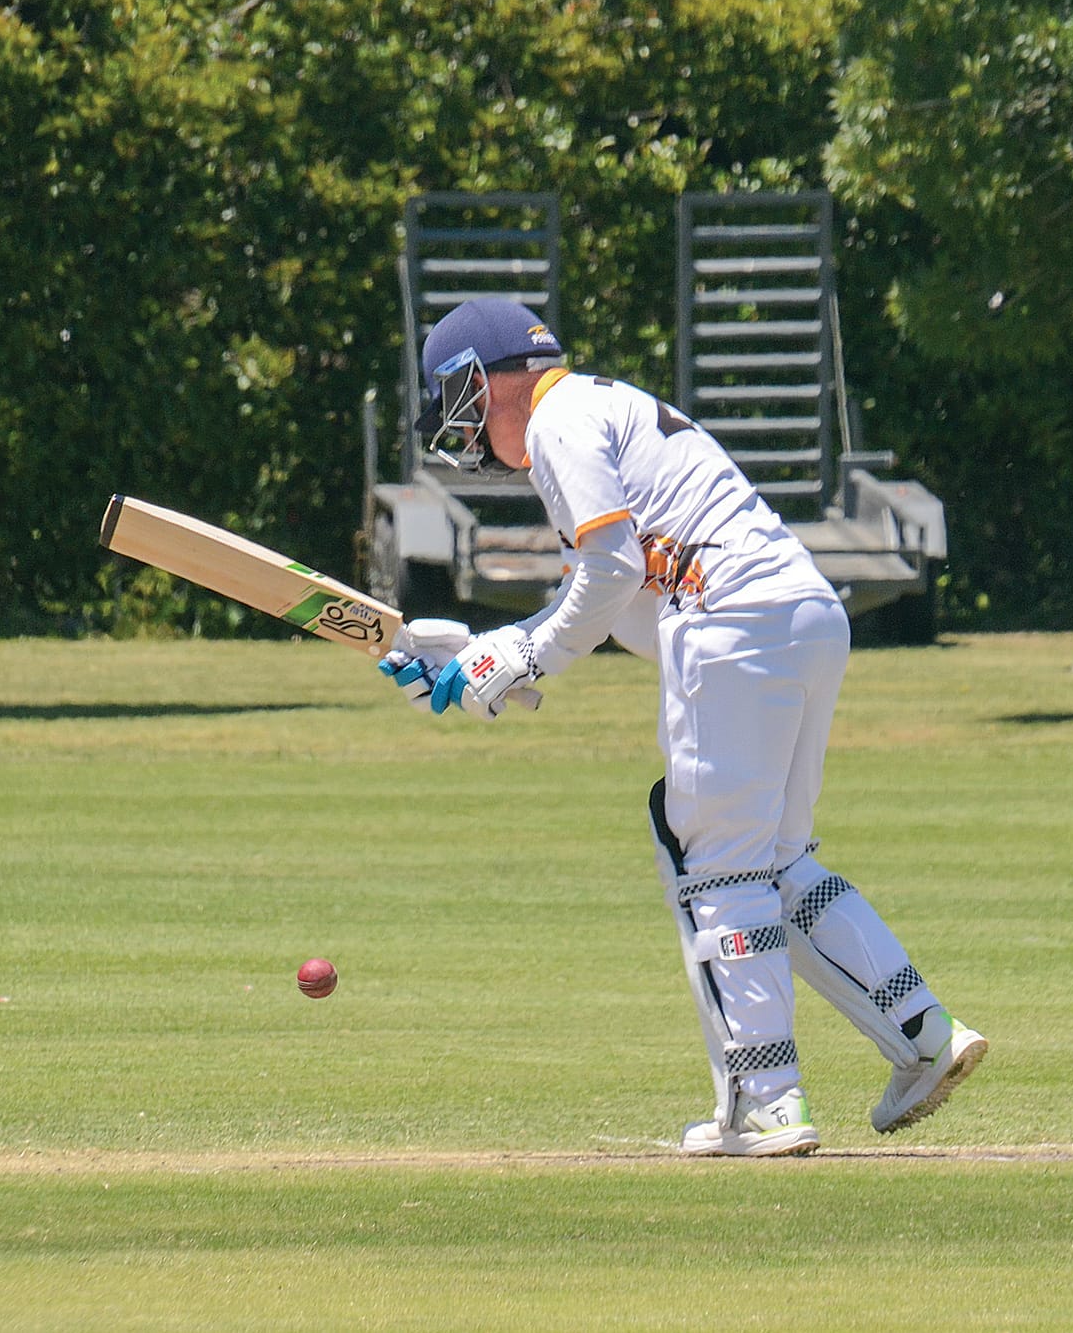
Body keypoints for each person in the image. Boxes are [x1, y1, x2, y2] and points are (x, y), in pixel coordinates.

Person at [379, 297, 985, 1157]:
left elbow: (610, 572)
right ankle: (924, 1034)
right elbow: (622, 603)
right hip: (804, 614)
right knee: (776, 858)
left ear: (479, 381)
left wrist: (524, 656)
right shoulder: (605, 409)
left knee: (713, 861)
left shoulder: (559, 422)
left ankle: (766, 1101)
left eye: (458, 406)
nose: (464, 436)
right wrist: (491, 656)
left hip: (732, 620)